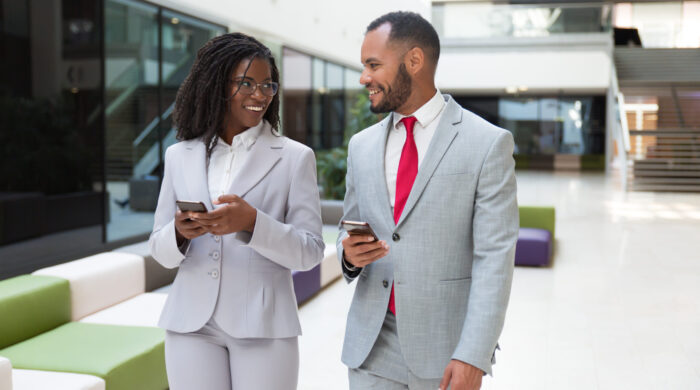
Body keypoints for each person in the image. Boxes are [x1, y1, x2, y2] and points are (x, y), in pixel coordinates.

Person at [338, 12, 518, 390]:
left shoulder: (486, 143)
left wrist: (474, 354)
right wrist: (349, 256)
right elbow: (350, 228)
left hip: (445, 350)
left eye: (373, 65)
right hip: (371, 346)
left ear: (414, 61)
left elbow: (494, 259)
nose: (364, 78)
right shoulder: (361, 146)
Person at [149, 32, 324, 390]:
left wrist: (253, 223)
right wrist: (180, 233)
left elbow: (311, 251)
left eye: (267, 84)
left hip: (264, 326)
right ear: (216, 85)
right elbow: (159, 249)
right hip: (190, 325)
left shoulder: (294, 157)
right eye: (246, 83)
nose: (260, 94)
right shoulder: (180, 156)